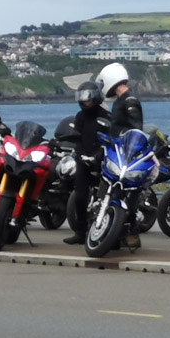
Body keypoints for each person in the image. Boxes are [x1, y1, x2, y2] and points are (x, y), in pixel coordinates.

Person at [94, 62, 145, 247]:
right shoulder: (119, 102)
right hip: (115, 150)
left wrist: (130, 149)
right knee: (108, 188)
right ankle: (109, 232)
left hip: (125, 153)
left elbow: (136, 129)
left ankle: (131, 231)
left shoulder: (130, 101)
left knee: (127, 192)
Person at [64, 81, 112, 245]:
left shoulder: (106, 117)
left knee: (105, 198)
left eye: (88, 98)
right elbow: (77, 138)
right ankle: (80, 232)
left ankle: (106, 232)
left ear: (96, 97)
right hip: (84, 161)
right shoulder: (80, 117)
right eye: (82, 98)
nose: (85, 101)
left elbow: (110, 140)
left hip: (102, 162)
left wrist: (100, 154)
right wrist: (80, 154)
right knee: (80, 197)